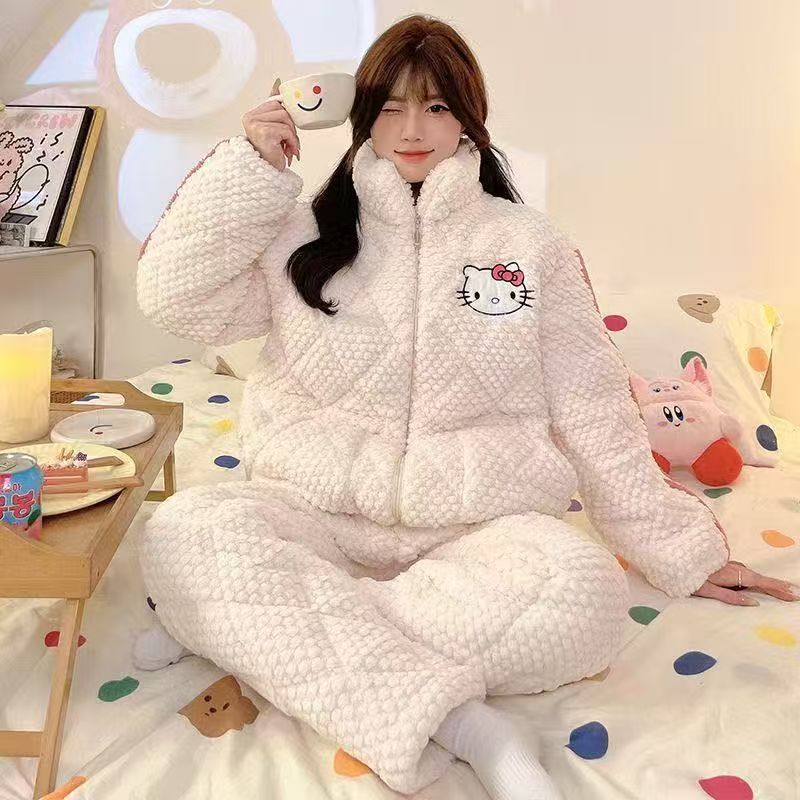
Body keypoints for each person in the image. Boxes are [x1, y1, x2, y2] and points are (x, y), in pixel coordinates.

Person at [133, 14, 798, 800]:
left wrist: (682, 551)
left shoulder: (529, 246)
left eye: (437, 107)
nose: (412, 131)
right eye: (390, 108)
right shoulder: (300, 234)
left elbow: (591, 407)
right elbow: (174, 300)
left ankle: (257, 630)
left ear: (469, 117)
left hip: (478, 531)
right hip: (311, 512)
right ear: (361, 116)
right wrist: (250, 168)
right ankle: (468, 729)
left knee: (583, 595)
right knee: (185, 528)